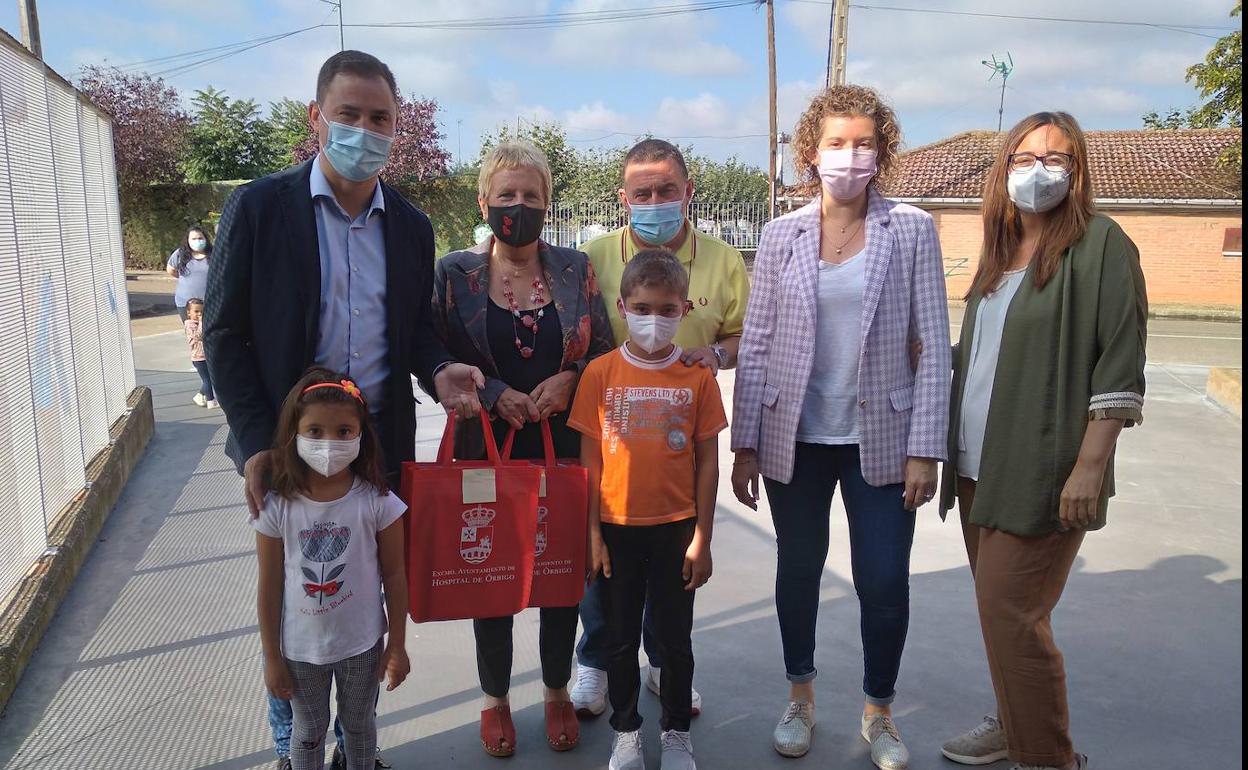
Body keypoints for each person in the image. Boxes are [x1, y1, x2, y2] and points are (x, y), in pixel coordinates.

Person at [204, 50, 484, 770]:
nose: (365, 129)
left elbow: (414, 330)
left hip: (377, 451)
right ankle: (290, 748)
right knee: (301, 595)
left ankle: (352, 744)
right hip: (288, 451)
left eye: (380, 117)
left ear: (397, 126)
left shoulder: (412, 228)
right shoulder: (262, 208)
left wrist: (440, 367)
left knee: (365, 596)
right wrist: (256, 443)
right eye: (349, 114)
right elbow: (226, 331)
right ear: (316, 118)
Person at [729, 85, 951, 768]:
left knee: (883, 582)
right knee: (797, 571)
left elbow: (935, 345)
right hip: (794, 435)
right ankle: (801, 695)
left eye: (862, 143)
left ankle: (879, 710)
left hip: (881, 438)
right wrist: (743, 443)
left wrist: (926, 449)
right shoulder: (781, 234)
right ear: (811, 152)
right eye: (835, 143)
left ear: (880, 150)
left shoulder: (910, 230)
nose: (849, 156)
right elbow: (757, 341)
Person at [937, 112, 1147, 770]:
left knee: (1012, 613)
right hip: (979, 463)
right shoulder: (1001, 252)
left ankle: (1048, 756)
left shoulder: (1102, 244)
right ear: (1004, 172)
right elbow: (991, 354)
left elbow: (1120, 362)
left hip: (1044, 468)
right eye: (1024, 158)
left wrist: (1089, 467)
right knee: (1001, 613)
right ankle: (1013, 723)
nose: (1039, 170)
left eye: (1055, 158)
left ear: (1077, 171)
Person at [431, 140, 613, 757]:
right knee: (494, 575)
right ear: (484, 201)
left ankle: (558, 688)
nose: (518, 206)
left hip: (560, 443)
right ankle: (495, 698)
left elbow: (604, 349)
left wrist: (574, 378)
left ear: (547, 201)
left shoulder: (575, 269)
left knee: (560, 573)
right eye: (506, 195)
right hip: (483, 447)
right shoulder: (455, 274)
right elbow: (429, 354)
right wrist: (496, 392)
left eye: (531, 196)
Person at [572, 138, 750, 718]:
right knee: (606, 563)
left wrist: (717, 359)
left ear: (687, 192)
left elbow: (744, 334)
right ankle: (596, 661)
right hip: (611, 431)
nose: (654, 201)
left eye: (665, 190)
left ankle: (661, 666)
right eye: (641, 192)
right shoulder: (591, 258)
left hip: (681, 435)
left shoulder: (724, 261)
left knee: (669, 566)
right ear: (624, 198)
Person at [569, 248, 726, 770]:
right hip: (614, 530)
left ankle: (676, 732)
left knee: (675, 640)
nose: (653, 320)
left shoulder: (697, 377)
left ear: (684, 309)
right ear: (621, 306)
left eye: (665, 309)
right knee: (618, 639)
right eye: (642, 307)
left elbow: (707, 462)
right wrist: (591, 534)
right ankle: (626, 731)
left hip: (676, 531)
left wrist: (703, 536)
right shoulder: (599, 374)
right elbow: (588, 464)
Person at [255, 367, 409, 770]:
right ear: (295, 433)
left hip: (362, 644)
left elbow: (395, 575)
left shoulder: (379, 502)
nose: (329, 443)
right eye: (315, 431)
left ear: (361, 434)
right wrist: (272, 657)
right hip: (300, 650)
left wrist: (397, 645)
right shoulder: (279, 507)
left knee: (359, 725)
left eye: (343, 432)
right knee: (308, 730)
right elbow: (269, 586)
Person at [165, 225, 212, 322]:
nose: (197, 241)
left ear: (205, 239)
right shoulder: (180, 254)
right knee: (192, 332)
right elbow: (171, 269)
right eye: (194, 239)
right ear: (188, 240)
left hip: (210, 303)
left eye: (200, 238)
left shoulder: (213, 254)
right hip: (185, 303)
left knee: (209, 334)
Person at [183, 298, 216, 408]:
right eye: (196, 312)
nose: (199, 314)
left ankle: (200, 395)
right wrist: (202, 322)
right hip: (199, 357)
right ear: (188, 313)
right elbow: (199, 336)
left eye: (202, 311)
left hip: (207, 355)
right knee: (207, 379)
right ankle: (210, 401)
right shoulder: (190, 324)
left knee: (211, 378)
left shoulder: (200, 323)